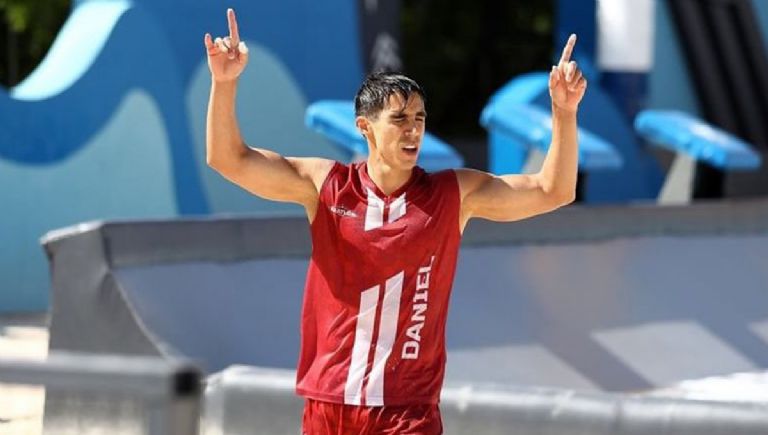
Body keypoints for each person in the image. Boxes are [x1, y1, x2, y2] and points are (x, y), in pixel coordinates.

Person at [204, 8, 586, 435]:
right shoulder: (327, 185)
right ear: (365, 127)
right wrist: (224, 82)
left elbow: (553, 190)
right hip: (331, 405)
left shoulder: (451, 195)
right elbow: (228, 158)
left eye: (419, 118)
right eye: (400, 119)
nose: (413, 130)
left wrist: (564, 112)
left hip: (407, 412)